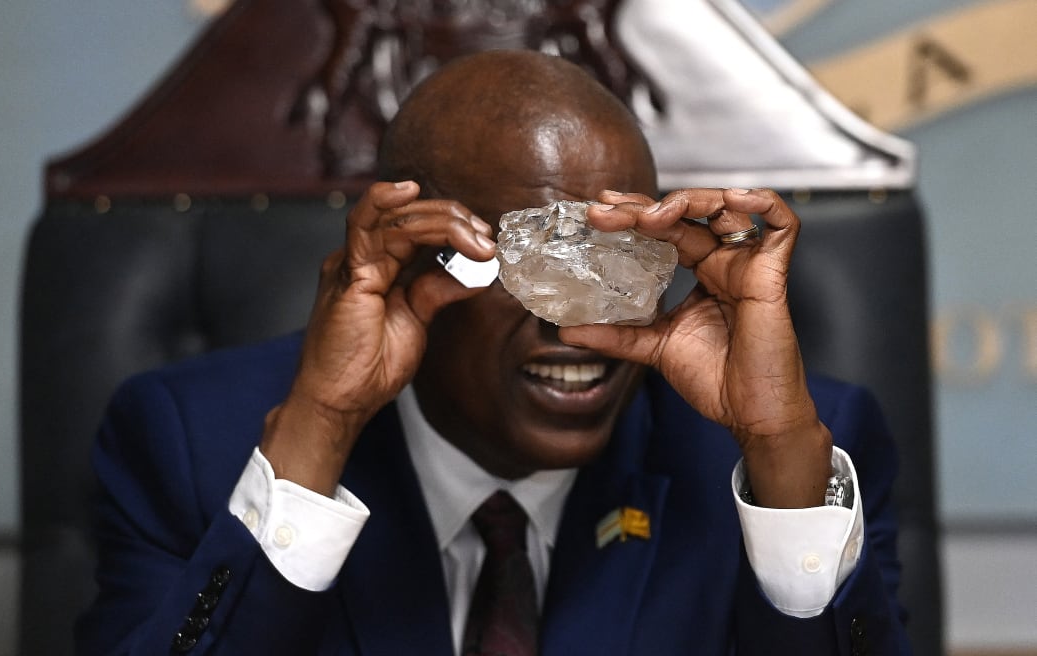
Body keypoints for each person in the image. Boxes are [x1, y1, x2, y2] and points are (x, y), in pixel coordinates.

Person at [77, 50, 908, 654]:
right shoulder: (185, 442)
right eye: (532, 261)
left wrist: (777, 458)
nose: (571, 320)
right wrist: (320, 432)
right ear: (415, 262)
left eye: (613, 259)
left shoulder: (799, 448)